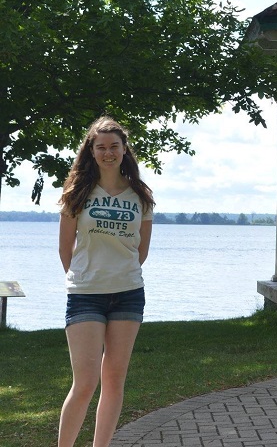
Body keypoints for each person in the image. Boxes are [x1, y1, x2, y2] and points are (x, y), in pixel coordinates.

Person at [57, 116, 155, 447]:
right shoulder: (77, 193)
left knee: (113, 379)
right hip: (85, 294)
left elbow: (141, 250)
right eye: (101, 147)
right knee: (85, 382)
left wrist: (118, 272)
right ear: (92, 151)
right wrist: (85, 276)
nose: (108, 153)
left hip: (128, 294)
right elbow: (64, 248)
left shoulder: (140, 195)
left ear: (125, 150)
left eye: (114, 146)